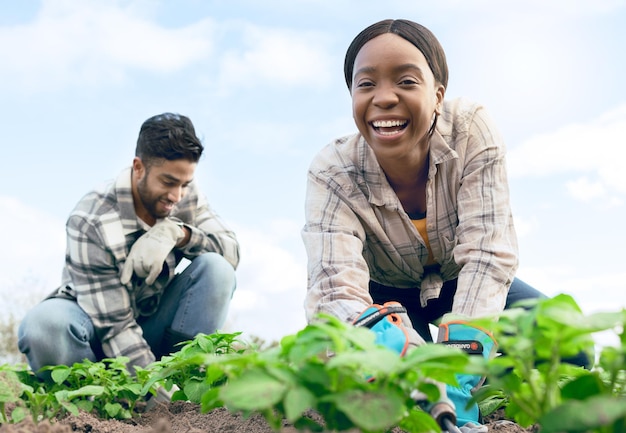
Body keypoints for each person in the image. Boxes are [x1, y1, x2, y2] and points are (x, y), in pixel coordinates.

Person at [301, 19, 589, 432]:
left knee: (569, 348)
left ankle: (490, 403)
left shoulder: (470, 130)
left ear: (437, 95)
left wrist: (459, 364)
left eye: (406, 80)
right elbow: (333, 284)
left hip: (461, 280)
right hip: (385, 297)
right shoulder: (332, 171)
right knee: (391, 397)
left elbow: (488, 254)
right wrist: (396, 352)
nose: (384, 98)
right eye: (366, 85)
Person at [18, 113, 240, 382]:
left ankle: (182, 380)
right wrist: (154, 397)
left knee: (218, 269)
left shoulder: (185, 197)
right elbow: (115, 326)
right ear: (138, 168)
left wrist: (178, 234)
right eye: (168, 182)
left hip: (151, 327)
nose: (176, 196)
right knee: (44, 325)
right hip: (93, 333)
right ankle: (92, 403)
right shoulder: (91, 220)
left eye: (185, 184)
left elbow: (231, 252)